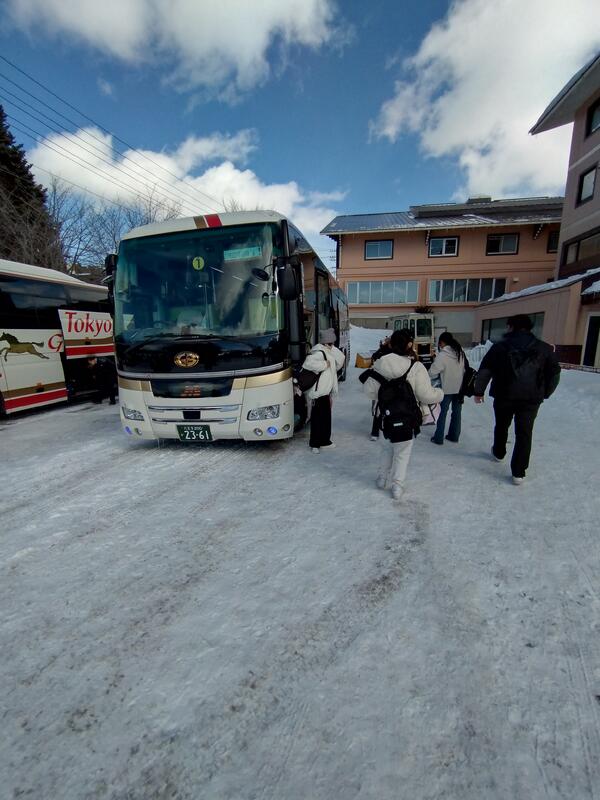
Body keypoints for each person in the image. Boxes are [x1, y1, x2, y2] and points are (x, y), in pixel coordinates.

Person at [473, 314, 561, 485]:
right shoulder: (543, 348)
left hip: (504, 395)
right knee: (524, 433)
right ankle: (518, 473)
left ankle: (499, 452)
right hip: (531, 399)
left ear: (510, 327)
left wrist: (478, 392)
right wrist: (545, 392)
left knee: (501, 424)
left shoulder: (499, 347)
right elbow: (555, 374)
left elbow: (485, 370)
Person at [364, 329, 443, 500]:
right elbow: (426, 395)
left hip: (386, 416)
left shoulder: (381, 363)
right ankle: (397, 486)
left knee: (386, 448)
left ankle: (382, 479)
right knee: (402, 452)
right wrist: (440, 394)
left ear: (391, 344)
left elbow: (369, 391)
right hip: (408, 417)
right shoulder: (416, 367)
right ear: (409, 345)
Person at [302, 328, 345, 453]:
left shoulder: (328, 351)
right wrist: (324, 365)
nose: (332, 345)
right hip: (318, 392)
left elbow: (340, 361)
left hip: (325, 392)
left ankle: (325, 441)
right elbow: (307, 364)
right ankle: (314, 444)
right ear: (325, 342)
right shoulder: (319, 352)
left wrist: (332, 348)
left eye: (333, 343)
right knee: (317, 419)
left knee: (326, 418)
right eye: (331, 343)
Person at [428, 331, 466, 445]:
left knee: (442, 413)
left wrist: (429, 375)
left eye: (440, 343)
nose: (440, 346)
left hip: (446, 389)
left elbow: (433, 371)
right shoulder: (460, 352)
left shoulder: (443, 355)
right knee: (457, 413)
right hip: (459, 388)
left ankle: (438, 438)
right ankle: (454, 436)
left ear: (443, 342)